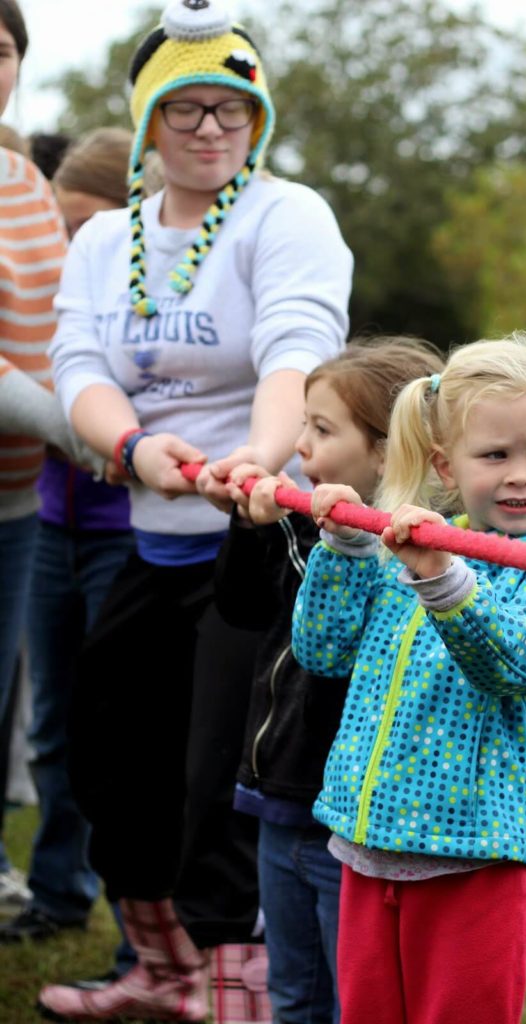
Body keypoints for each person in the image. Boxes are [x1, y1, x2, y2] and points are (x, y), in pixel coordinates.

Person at [37, 0, 352, 1020]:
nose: (212, 128)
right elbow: (77, 363)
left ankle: (243, 987)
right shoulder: (107, 241)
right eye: (186, 109)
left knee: (223, 773)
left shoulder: (285, 214)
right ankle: (161, 971)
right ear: (146, 122)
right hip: (151, 532)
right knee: (105, 758)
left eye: (233, 107)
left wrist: (256, 462)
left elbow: (294, 351)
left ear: (257, 118)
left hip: (256, 536)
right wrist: (130, 447)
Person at [291, 332, 526, 1024]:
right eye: (495, 455)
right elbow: (323, 651)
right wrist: (345, 549)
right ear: (446, 462)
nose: (521, 474)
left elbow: (517, 665)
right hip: (367, 843)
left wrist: (444, 580)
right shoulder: (421, 537)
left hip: (473, 856)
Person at [201, 338, 444, 1024]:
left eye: (321, 428)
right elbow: (243, 609)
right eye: (303, 422)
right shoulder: (301, 522)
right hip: (277, 794)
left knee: (352, 996)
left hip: (345, 813)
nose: (299, 442)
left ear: (385, 451)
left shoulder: (416, 558)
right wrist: (249, 529)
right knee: (291, 989)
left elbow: (341, 655)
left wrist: (346, 545)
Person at [0, 127, 136, 951]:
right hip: (52, 523)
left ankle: (141, 929)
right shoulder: (63, 298)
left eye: (89, 228)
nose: (71, 246)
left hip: (130, 535)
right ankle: (57, 889)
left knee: (117, 727)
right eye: (62, 226)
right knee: (50, 723)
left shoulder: (156, 299)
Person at [0, 0, 91, 918]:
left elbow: (66, 332)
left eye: (0, 50)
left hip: (17, 501)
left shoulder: (24, 182)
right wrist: (92, 433)